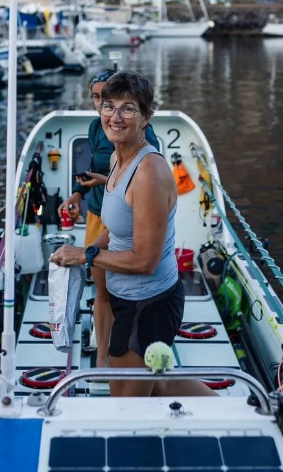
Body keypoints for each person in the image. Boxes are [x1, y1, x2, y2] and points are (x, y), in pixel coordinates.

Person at [51, 70, 215, 398]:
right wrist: (87, 250)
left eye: (128, 108)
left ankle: (233, 420)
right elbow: (116, 230)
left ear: (145, 119)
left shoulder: (149, 173)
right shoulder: (117, 157)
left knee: (126, 404)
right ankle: (231, 414)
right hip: (125, 298)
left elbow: (145, 261)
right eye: (109, 106)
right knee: (158, 383)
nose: (115, 116)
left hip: (148, 304)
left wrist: (84, 255)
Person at [58, 69, 158, 368]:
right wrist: (78, 193)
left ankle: (127, 352)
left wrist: (107, 182)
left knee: (125, 290)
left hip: (126, 219)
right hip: (98, 215)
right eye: (99, 99)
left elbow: (138, 180)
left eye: (116, 102)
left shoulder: (143, 141)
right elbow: (98, 165)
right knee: (102, 290)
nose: (109, 109)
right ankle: (102, 358)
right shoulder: (94, 128)